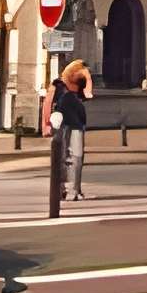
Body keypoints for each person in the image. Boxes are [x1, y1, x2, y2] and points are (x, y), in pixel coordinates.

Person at [49, 60, 93, 200]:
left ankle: (74, 190)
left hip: (76, 124)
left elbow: (89, 94)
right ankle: (65, 189)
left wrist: (87, 77)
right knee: (66, 157)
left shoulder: (76, 89)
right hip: (65, 125)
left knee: (75, 158)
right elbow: (48, 104)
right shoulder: (59, 86)